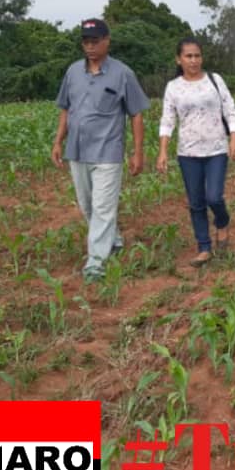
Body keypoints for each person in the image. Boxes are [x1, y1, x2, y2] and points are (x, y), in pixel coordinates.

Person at [52, 18, 149, 282]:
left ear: (107, 41)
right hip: (78, 150)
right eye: (86, 41)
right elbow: (65, 108)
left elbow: (136, 115)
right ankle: (113, 239)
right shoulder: (73, 72)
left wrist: (138, 152)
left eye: (95, 41)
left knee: (104, 206)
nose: (90, 46)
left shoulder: (123, 74)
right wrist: (58, 140)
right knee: (87, 205)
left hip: (108, 150)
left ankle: (95, 263)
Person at [156, 37, 235, 267]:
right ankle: (204, 247)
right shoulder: (173, 87)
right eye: (188, 56)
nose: (193, 60)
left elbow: (230, 109)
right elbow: (167, 119)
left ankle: (222, 222)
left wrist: (234, 138)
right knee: (196, 202)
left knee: (214, 197)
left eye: (197, 55)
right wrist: (163, 151)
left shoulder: (214, 80)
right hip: (188, 152)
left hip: (216, 149)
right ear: (179, 59)